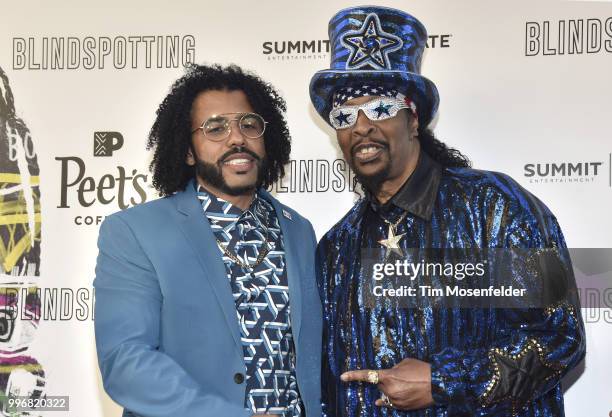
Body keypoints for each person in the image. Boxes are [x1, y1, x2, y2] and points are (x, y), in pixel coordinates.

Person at [310, 6, 585, 416]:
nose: (362, 126)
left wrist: (446, 380)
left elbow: (558, 337)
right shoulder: (336, 247)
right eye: (345, 114)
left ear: (414, 119)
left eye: (382, 108)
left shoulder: (495, 207)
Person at [94, 64, 322, 417]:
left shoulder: (298, 230)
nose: (236, 138)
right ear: (188, 151)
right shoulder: (135, 231)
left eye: (248, 124)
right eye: (215, 128)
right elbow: (126, 362)